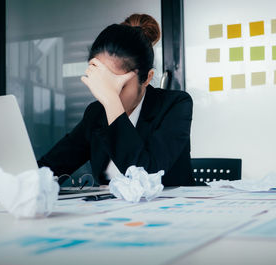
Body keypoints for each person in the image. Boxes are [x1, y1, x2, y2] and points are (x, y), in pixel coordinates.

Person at [38, 14, 194, 186]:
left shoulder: (175, 105)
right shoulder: (96, 113)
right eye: (103, 84)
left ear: (147, 78)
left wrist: (112, 102)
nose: (108, 93)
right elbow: (51, 167)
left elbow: (146, 178)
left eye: (118, 85)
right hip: (110, 211)